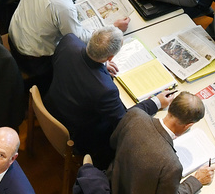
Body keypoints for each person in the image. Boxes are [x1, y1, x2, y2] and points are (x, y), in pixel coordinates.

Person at [47, 29, 163, 168]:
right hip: (79, 133)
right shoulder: (105, 90)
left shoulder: (68, 41)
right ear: (110, 58)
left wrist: (101, 65)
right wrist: (155, 102)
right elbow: (124, 122)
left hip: (53, 104)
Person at [10, 0, 128, 76]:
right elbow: (78, 39)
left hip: (15, 36)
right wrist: (113, 30)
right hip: (33, 59)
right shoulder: (63, 7)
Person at [108, 93, 213, 194]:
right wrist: (196, 180)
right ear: (188, 126)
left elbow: (113, 143)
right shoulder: (172, 165)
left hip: (113, 186)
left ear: (171, 106)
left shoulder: (134, 114)